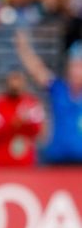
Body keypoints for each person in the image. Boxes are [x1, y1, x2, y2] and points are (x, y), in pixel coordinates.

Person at [15, 30, 82, 164]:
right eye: (74, 66)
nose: (77, 71)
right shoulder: (58, 89)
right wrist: (23, 48)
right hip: (57, 159)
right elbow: (37, 71)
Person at [0, 70, 45, 166]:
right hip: (0, 163)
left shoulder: (32, 104)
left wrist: (26, 122)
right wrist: (14, 122)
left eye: (18, 79)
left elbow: (39, 131)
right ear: (7, 82)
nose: (15, 84)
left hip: (25, 163)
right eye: (13, 79)